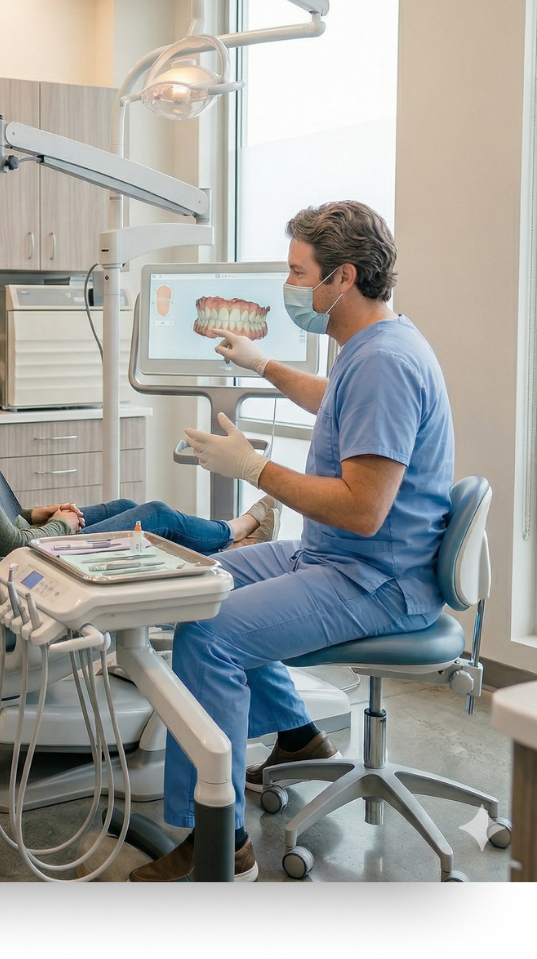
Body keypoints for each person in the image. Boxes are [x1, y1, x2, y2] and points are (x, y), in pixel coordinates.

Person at [129, 201, 454, 883]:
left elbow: (363, 511)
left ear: (343, 277)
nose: (288, 287)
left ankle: (219, 842)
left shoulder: (386, 363)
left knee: (209, 631)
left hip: (377, 579)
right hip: (337, 556)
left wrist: (254, 469)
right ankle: (299, 737)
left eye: (298, 273)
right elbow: (334, 400)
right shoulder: (375, 345)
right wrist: (264, 364)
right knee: (203, 580)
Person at [0, 331, 278, 621]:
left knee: (126, 507)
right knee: (156, 516)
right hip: (18, 576)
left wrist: (33, 515)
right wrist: (61, 525)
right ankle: (235, 534)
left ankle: (226, 547)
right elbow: (12, 548)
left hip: (1, 564)